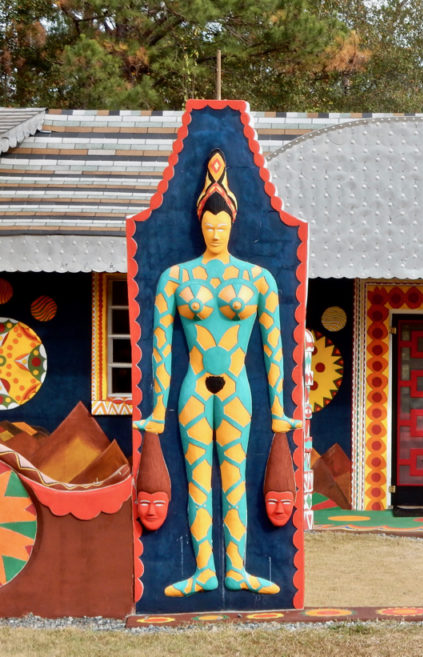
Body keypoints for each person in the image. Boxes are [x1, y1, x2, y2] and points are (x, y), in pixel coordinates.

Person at [135, 150, 300, 597]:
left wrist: (281, 408)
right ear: (199, 225)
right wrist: (155, 409)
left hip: (235, 389)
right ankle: (206, 569)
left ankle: (237, 568)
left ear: (233, 224)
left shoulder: (258, 279)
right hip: (191, 389)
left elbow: (273, 350)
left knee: (235, 478)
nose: (214, 232)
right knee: (197, 481)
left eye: (221, 226)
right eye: (208, 226)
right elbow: (161, 350)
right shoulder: (175, 278)